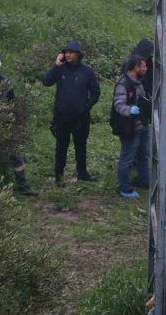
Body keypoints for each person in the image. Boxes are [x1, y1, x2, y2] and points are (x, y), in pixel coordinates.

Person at [42, 40, 100, 186]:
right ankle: (59, 176)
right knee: (61, 146)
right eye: (66, 52)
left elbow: (95, 92)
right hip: (62, 117)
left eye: (71, 52)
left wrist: (86, 106)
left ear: (78, 54)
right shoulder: (60, 69)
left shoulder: (87, 71)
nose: (68, 55)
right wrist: (56, 65)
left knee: (81, 146)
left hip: (80, 117)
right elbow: (46, 82)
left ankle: (82, 173)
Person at [0, 52, 38, 196]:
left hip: (5, 124)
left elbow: (12, 102)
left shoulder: (5, 82)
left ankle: (23, 185)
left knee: (15, 156)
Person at [110, 55, 151, 198]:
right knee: (127, 158)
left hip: (142, 126)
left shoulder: (138, 82)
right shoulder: (123, 84)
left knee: (144, 155)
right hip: (129, 127)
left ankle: (144, 180)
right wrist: (130, 110)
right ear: (136, 68)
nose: (146, 69)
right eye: (144, 66)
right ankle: (125, 187)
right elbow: (119, 105)